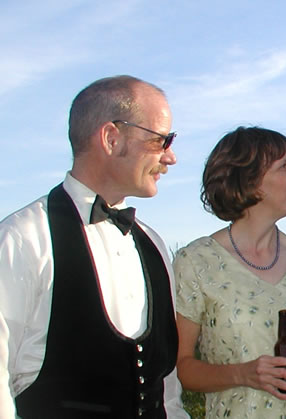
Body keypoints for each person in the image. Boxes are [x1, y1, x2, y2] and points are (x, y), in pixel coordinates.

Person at [0, 75, 189, 418]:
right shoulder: (23, 239)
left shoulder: (154, 245)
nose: (171, 157)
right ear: (111, 138)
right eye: (161, 140)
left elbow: (167, 390)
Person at [173, 126, 286, 418]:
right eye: (284, 166)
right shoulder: (195, 263)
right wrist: (242, 374)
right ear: (249, 181)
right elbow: (180, 368)